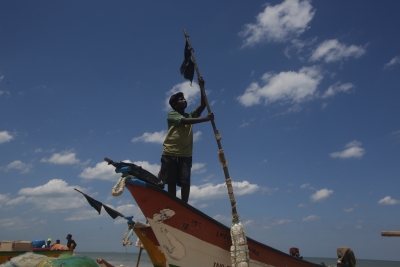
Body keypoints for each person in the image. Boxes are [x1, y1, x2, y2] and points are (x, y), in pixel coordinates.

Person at [159, 77, 214, 203]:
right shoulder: (171, 114)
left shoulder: (190, 115)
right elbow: (184, 121)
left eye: (184, 99)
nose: (184, 100)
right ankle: (173, 203)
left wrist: (201, 87)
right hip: (170, 152)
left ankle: (184, 205)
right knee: (171, 181)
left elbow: (203, 105)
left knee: (185, 181)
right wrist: (205, 119)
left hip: (185, 153)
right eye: (180, 99)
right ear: (174, 105)